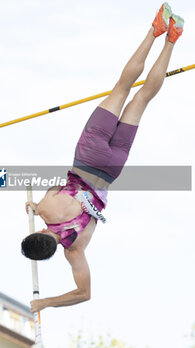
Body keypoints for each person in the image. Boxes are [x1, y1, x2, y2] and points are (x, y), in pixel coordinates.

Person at [21, 3, 184, 313]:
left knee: (143, 98)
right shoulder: (46, 209)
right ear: (38, 232)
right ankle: (155, 30)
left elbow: (84, 294)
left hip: (112, 169)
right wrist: (36, 206)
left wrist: (46, 302)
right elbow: (57, 184)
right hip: (88, 156)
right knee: (123, 88)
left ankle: (172, 39)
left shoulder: (76, 250)